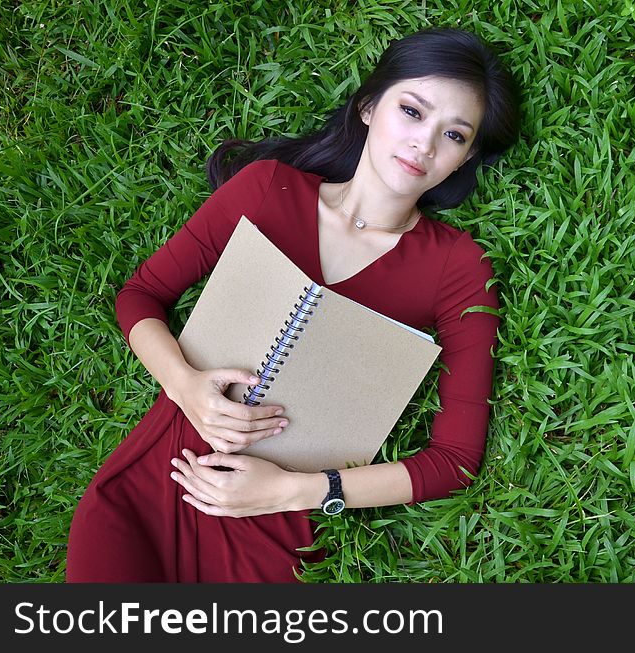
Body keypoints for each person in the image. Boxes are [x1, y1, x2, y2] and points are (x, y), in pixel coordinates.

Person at [66, 27, 520, 582]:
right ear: (369, 107)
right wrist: (185, 386)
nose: (423, 144)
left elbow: (453, 461)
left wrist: (297, 489)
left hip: (271, 528)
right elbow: (141, 295)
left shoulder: (456, 268)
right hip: (155, 481)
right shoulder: (266, 190)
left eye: (453, 134)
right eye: (412, 111)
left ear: (465, 157)